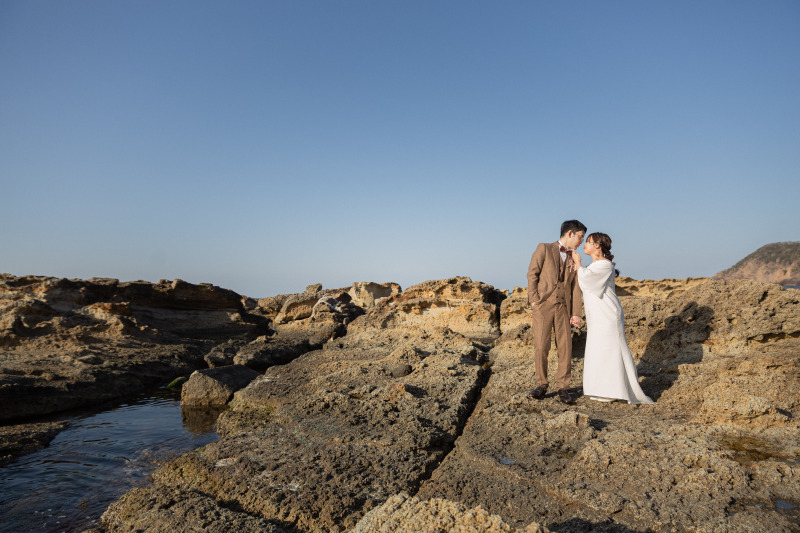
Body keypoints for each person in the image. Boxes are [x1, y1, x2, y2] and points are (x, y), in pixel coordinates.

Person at [571, 233, 653, 405]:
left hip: (608, 313)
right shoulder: (595, 265)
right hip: (597, 314)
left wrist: (578, 263)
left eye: (588, 242)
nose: (585, 244)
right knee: (598, 348)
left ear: (598, 246)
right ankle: (601, 388)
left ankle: (615, 390)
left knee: (611, 349)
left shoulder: (605, 265)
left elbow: (587, 281)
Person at [527, 220, 586, 404]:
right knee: (541, 346)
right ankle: (541, 385)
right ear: (570, 233)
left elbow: (576, 287)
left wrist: (576, 312)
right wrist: (535, 300)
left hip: (563, 307)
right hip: (543, 305)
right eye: (580, 237)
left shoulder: (574, 257)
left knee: (565, 347)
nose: (581, 242)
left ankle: (563, 387)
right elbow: (532, 274)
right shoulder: (544, 248)